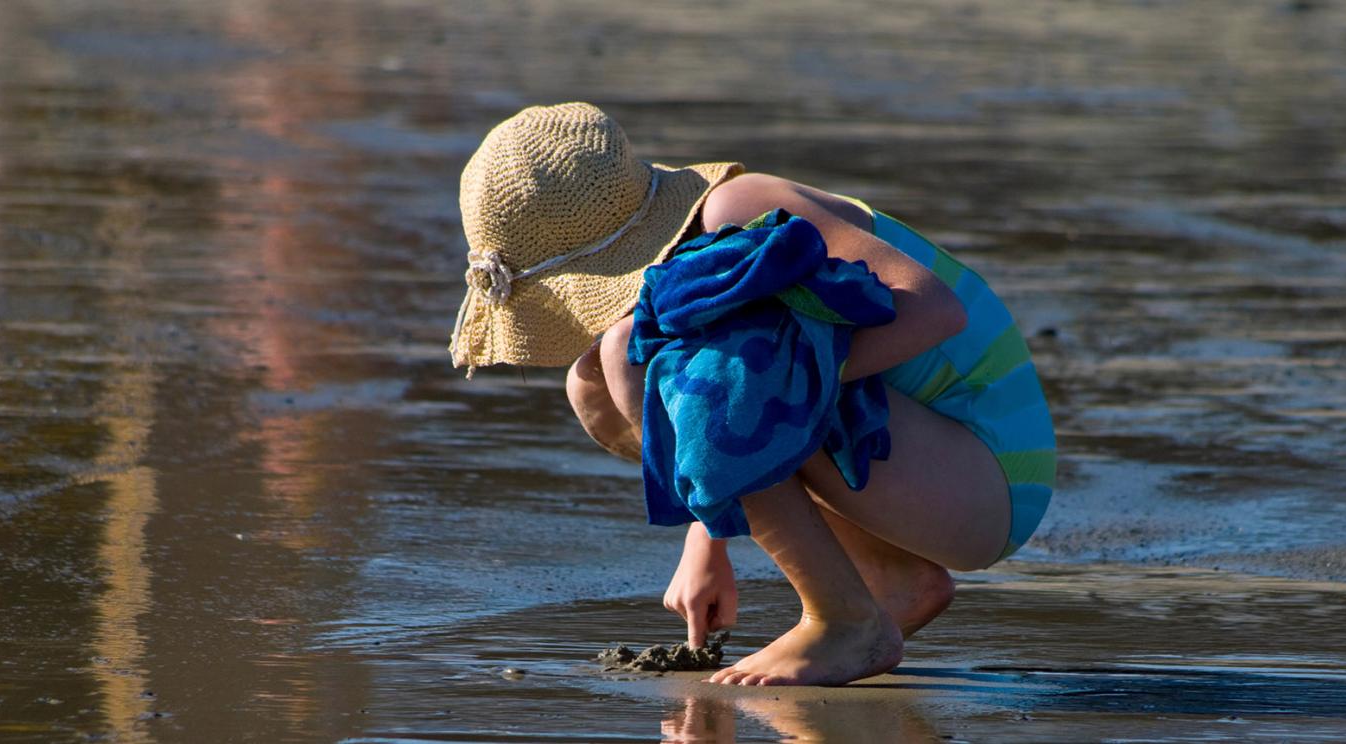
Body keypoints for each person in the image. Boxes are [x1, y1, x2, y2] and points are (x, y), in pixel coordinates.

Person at [450, 102, 1055, 687]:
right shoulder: (696, 253)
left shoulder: (738, 207)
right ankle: (890, 577)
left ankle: (844, 619)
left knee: (635, 355)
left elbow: (935, 309)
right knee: (597, 382)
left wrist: (773, 389)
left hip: (988, 474)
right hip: (920, 467)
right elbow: (723, 396)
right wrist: (706, 540)